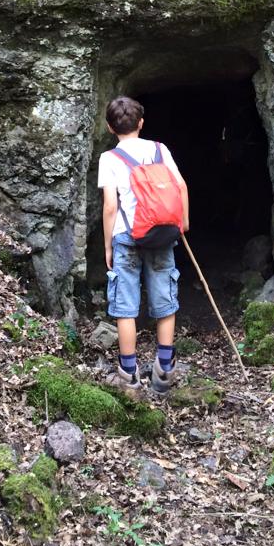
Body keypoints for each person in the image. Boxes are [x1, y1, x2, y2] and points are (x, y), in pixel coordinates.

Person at [97, 95, 189, 395]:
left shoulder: (109, 159)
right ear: (141, 123)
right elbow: (180, 185)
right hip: (162, 234)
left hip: (127, 238)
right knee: (165, 302)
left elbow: (111, 205)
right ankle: (164, 372)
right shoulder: (160, 150)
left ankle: (129, 376)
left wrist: (108, 245)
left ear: (110, 127)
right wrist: (182, 224)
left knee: (126, 307)